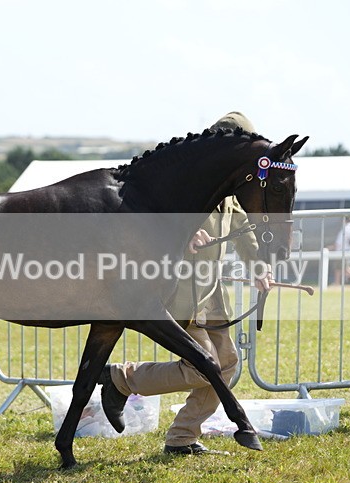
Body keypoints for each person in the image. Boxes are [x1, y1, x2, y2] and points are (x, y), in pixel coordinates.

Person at [99, 112, 273, 455]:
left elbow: (242, 230)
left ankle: (181, 438)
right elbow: (153, 214)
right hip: (178, 290)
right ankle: (121, 378)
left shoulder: (229, 188)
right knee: (201, 367)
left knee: (226, 365)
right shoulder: (185, 178)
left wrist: (259, 265)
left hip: (212, 293)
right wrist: (185, 231)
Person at [329, 217, 350, 285]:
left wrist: (331, 248)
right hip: (348, 250)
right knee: (339, 268)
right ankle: (337, 282)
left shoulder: (346, 229)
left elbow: (339, 242)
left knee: (344, 267)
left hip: (344, 251)